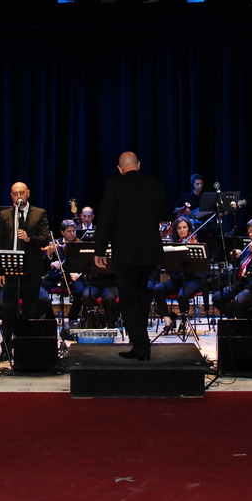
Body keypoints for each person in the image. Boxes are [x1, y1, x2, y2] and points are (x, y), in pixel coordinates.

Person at [94, 152, 171, 361]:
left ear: (120, 168)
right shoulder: (156, 185)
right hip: (150, 252)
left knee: (128, 298)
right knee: (143, 295)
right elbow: (166, 215)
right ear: (138, 165)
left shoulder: (114, 184)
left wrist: (100, 250)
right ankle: (141, 345)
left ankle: (140, 345)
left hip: (126, 252)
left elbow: (105, 218)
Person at [0, 182, 52, 348]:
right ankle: (7, 345)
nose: (19, 196)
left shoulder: (39, 213)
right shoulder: (5, 214)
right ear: (11, 196)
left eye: (21, 192)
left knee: (30, 308)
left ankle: (27, 346)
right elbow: (0, 244)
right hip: (10, 269)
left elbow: (45, 238)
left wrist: (29, 239)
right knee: (8, 309)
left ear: (28, 193)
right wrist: (0, 270)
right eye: (15, 193)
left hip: (31, 269)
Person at [152, 217, 203, 332]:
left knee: (182, 295)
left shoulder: (194, 242)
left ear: (189, 229)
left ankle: (184, 322)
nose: (182, 230)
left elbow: (199, 267)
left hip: (193, 279)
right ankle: (168, 319)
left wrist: (192, 247)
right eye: (179, 228)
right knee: (158, 289)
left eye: (184, 227)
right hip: (177, 279)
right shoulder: (174, 243)